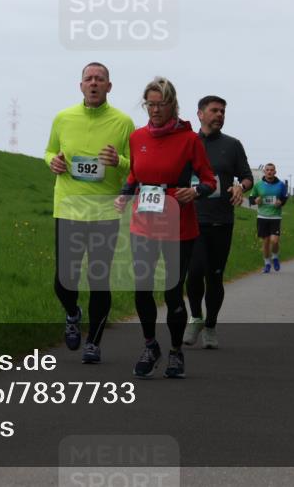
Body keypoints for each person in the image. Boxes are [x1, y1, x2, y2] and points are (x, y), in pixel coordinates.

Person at [115, 77, 216, 378]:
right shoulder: (137, 137)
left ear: (173, 104)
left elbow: (209, 181)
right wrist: (125, 193)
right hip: (143, 224)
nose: (155, 110)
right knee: (142, 288)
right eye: (150, 104)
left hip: (178, 227)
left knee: (173, 292)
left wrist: (195, 192)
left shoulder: (189, 140)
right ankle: (150, 346)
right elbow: (135, 174)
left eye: (161, 104)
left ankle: (175, 351)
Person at [45, 63, 134, 364]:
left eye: (100, 79)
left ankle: (94, 342)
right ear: (80, 85)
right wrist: (52, 163)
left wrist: (118, 161)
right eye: (88, 79)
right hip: (68, 207)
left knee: (99, 279)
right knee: (64, 279)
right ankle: (73, 313)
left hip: (104, 211)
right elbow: (49, 151)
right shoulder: (63, 117)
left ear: (109, 86)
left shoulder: (123, 122)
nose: (93, 83)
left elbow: (135, 166)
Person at [183, 96, 254, 349]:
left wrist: (239, 186)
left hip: (221, 220)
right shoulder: (187, 142)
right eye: (214, 110)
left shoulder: (232, 145)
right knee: (194, 273)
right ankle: (195, 317)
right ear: (200, 114)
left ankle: (210, 325)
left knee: (215, 276)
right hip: (191, 218)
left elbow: (247, 177)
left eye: (223, 111)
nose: (219, 115)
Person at [249, 163, 288, 272]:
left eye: (272, 170)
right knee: (265, 242)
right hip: (262, 216)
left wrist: (281, 202)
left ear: (275, 172)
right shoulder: (258, 185)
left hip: (275, 217)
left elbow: (284, 197)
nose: (269, 172)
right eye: (267, 170)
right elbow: (251, 198)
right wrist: (255, 200)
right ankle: (267, 264)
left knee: (274, 241)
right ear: (264, 172)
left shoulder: (281, 185)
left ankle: (275, 257)